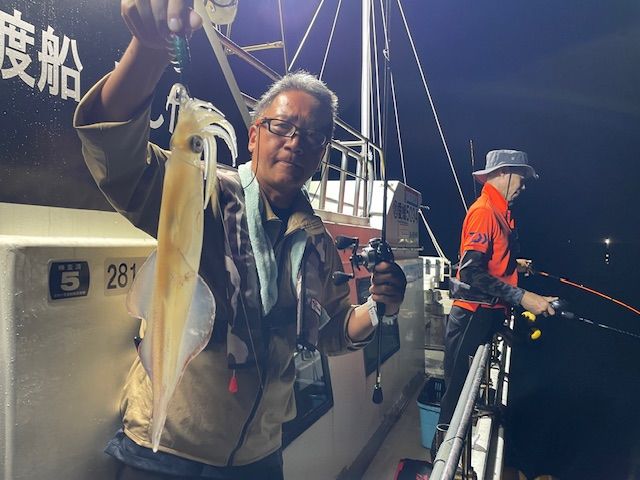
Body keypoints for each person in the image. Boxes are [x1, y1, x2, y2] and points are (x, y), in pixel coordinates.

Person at [73, 2, 407, 479]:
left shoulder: (316, 240)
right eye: (282, 127)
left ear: (322, 154)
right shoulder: (204, 191)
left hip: (260, 457)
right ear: (253, 136)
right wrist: (147, 51)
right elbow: (116, 157)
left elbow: (332, 331)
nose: (295, 142)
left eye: (313, 136)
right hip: (166, 451)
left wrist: (377, 307)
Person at [432, 149, 557, 458]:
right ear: (503, 173)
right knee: (455, 391)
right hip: (471, 316)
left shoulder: (501, 212)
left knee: (469, 383)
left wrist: (515, 264)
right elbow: (471, 272)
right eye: (521, 178)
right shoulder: (484, 212)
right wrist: (524, 297)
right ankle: (441, 455)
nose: (523, 186)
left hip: (489, 313)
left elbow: (492, 260)